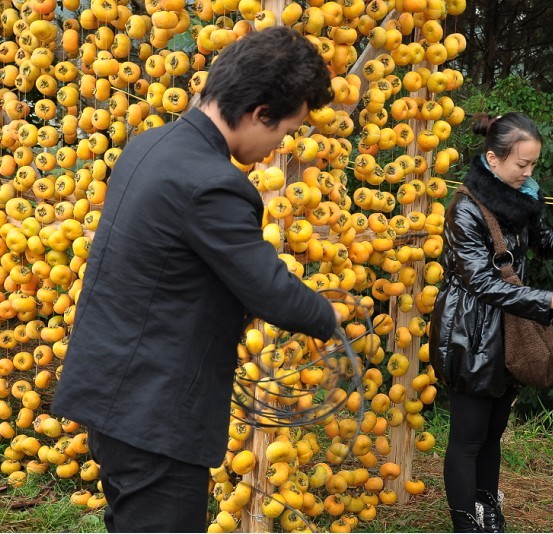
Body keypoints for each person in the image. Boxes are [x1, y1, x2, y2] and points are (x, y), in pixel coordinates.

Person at [52, 27, 339, 533]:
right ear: (259, 114)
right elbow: (270, 288)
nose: (279, 146)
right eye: (284, 131)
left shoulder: (150, 146)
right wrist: (329, 314)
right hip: (153, 414)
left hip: (114, 395)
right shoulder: (212, 184)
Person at [429, 112, 553, 533]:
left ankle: (489, 516)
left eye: (533, 165)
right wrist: (549, 300)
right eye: (521, 165)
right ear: (493, 159)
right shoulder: (465, 210)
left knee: (493, 434)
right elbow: (482, 283)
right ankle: (465, 526)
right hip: (470, 332)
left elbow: (542, 239)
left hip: (509, 329)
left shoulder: (522, 198)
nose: (528, 173)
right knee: (468, 440)